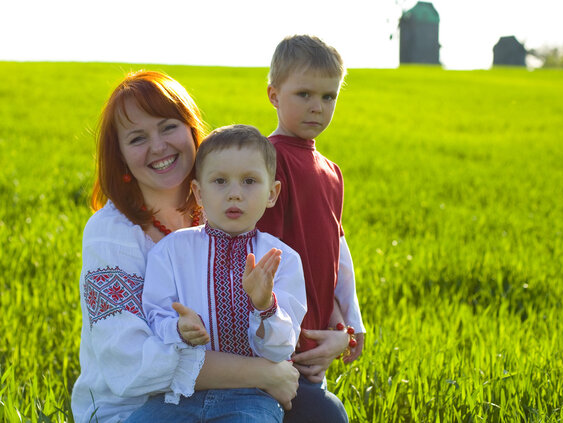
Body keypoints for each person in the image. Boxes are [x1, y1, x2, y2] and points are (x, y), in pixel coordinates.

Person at [71, 71, 299, 423]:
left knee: (324, 411)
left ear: (192, 130)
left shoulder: (225, 204)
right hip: (136, 407)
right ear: (120, 156)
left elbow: (298, 282)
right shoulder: (111, 233)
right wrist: (265, 374)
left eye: (167, 127)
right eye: (137, 138)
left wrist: (336, 336)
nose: (158, 147)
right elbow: (129, 363)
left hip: (241, 397)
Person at [139, 124, 307, 422]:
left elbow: (281, 348)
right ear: (198, 192)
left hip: (253, 396)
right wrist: (179, 328)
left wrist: (265, 306)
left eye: (249, 181)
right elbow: (155, 316)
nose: (234, 194)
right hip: (178, 395)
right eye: (220, 181)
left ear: (272, 193)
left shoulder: (282, 260)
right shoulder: (171, 251)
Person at [257, 34, 366, 423]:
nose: (317, 107)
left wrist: (348, 325)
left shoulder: (332, 172)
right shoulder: (266, 162)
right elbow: (256, 257)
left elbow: (335, 255)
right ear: (273, 94)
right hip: (272, 349)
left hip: (316, 344)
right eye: (303, 94)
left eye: (328, 96)